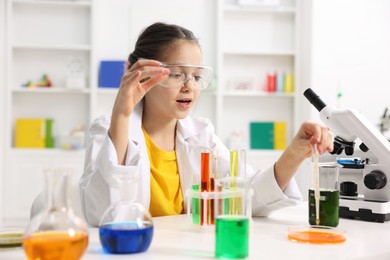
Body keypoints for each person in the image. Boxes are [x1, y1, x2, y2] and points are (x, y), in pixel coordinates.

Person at [79, 22, 334, 226]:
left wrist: (295, 153)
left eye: (197, 76)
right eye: (177, 74)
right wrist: (122, 115)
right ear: (141, 74)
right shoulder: (109, 128)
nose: (189, 86)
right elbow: (103, 214)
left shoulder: (201, 134)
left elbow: (248, 195)